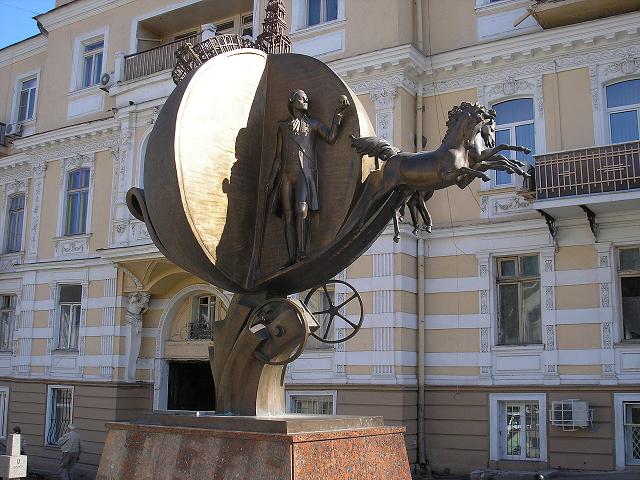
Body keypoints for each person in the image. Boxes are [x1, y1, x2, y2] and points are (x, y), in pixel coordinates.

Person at [265, 89, 350, 266]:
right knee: (288, 215)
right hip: (286, 175)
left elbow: (331, 138)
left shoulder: (313, 124)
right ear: (292, 101)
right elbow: (278, 157)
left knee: (301, 209)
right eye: (301, 98)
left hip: (304, 174)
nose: (305, 100)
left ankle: (302, 251)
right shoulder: (283, 127)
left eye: (307, 99)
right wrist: (271, 180)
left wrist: (338, 114)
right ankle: (291, 257)